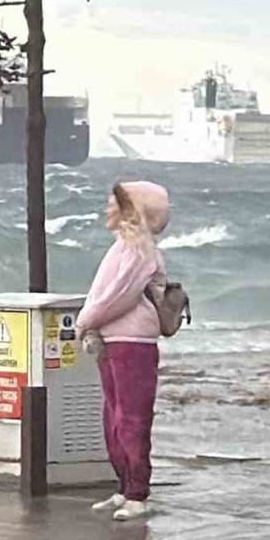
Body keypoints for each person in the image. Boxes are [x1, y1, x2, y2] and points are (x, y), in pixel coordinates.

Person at [75, 181, 170, 521]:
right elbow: (103, 294)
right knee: (113, 417)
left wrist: (84, 321)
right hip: (112, 340)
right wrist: (91, 325)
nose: (107, 209)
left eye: (113, 203)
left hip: (134, 342)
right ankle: (124, 487)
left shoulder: (139, 250)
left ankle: (137, 493)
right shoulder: (121, 247)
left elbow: (119, 296)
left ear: (131, 209)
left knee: (131, 418)